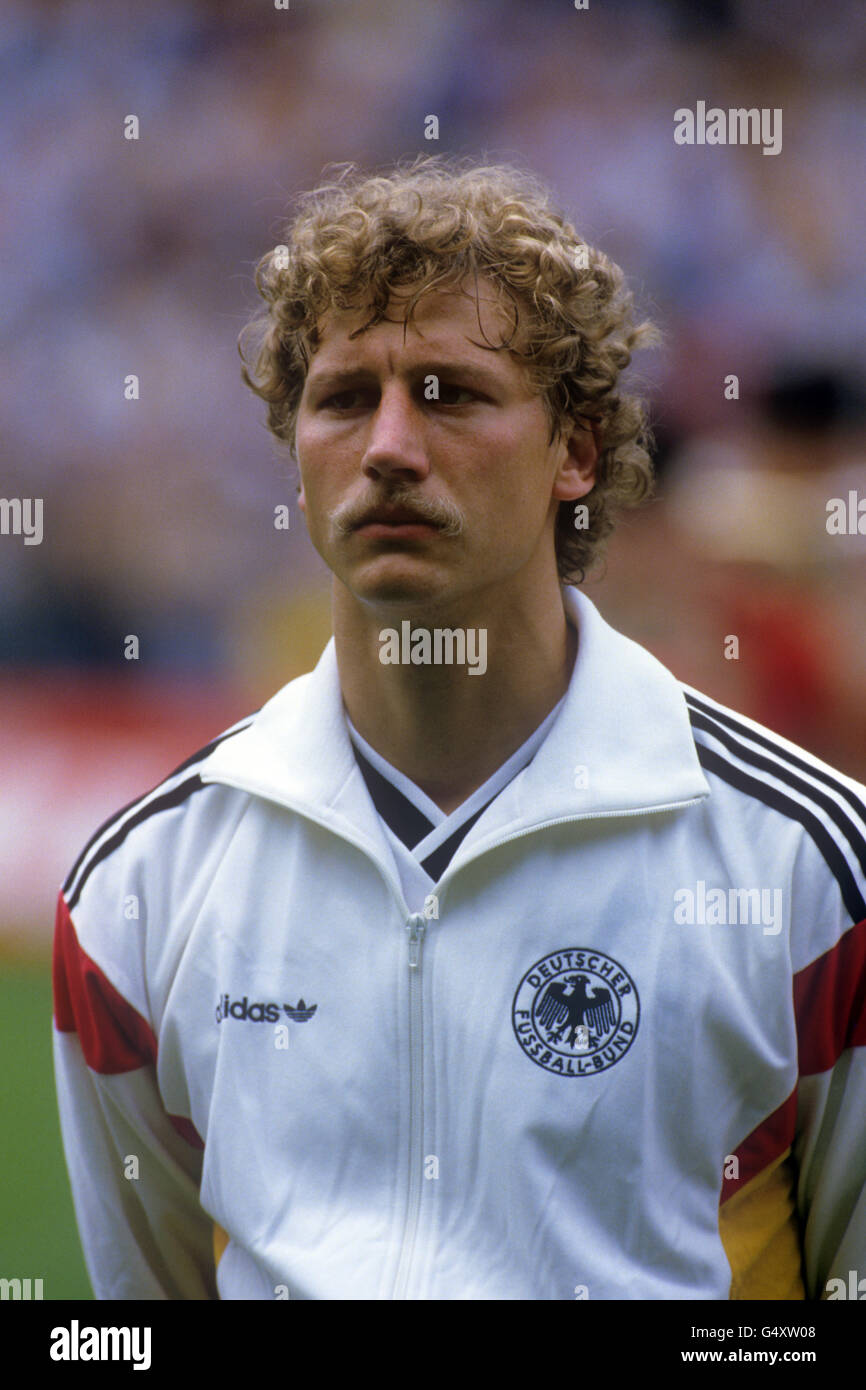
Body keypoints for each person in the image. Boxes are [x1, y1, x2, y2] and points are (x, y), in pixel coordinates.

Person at [53, 156, 866, 1300]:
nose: (387, 444)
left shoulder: (811, 869)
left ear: (573, 454)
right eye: (342, 398)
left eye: (448, 392)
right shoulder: (141, 885)